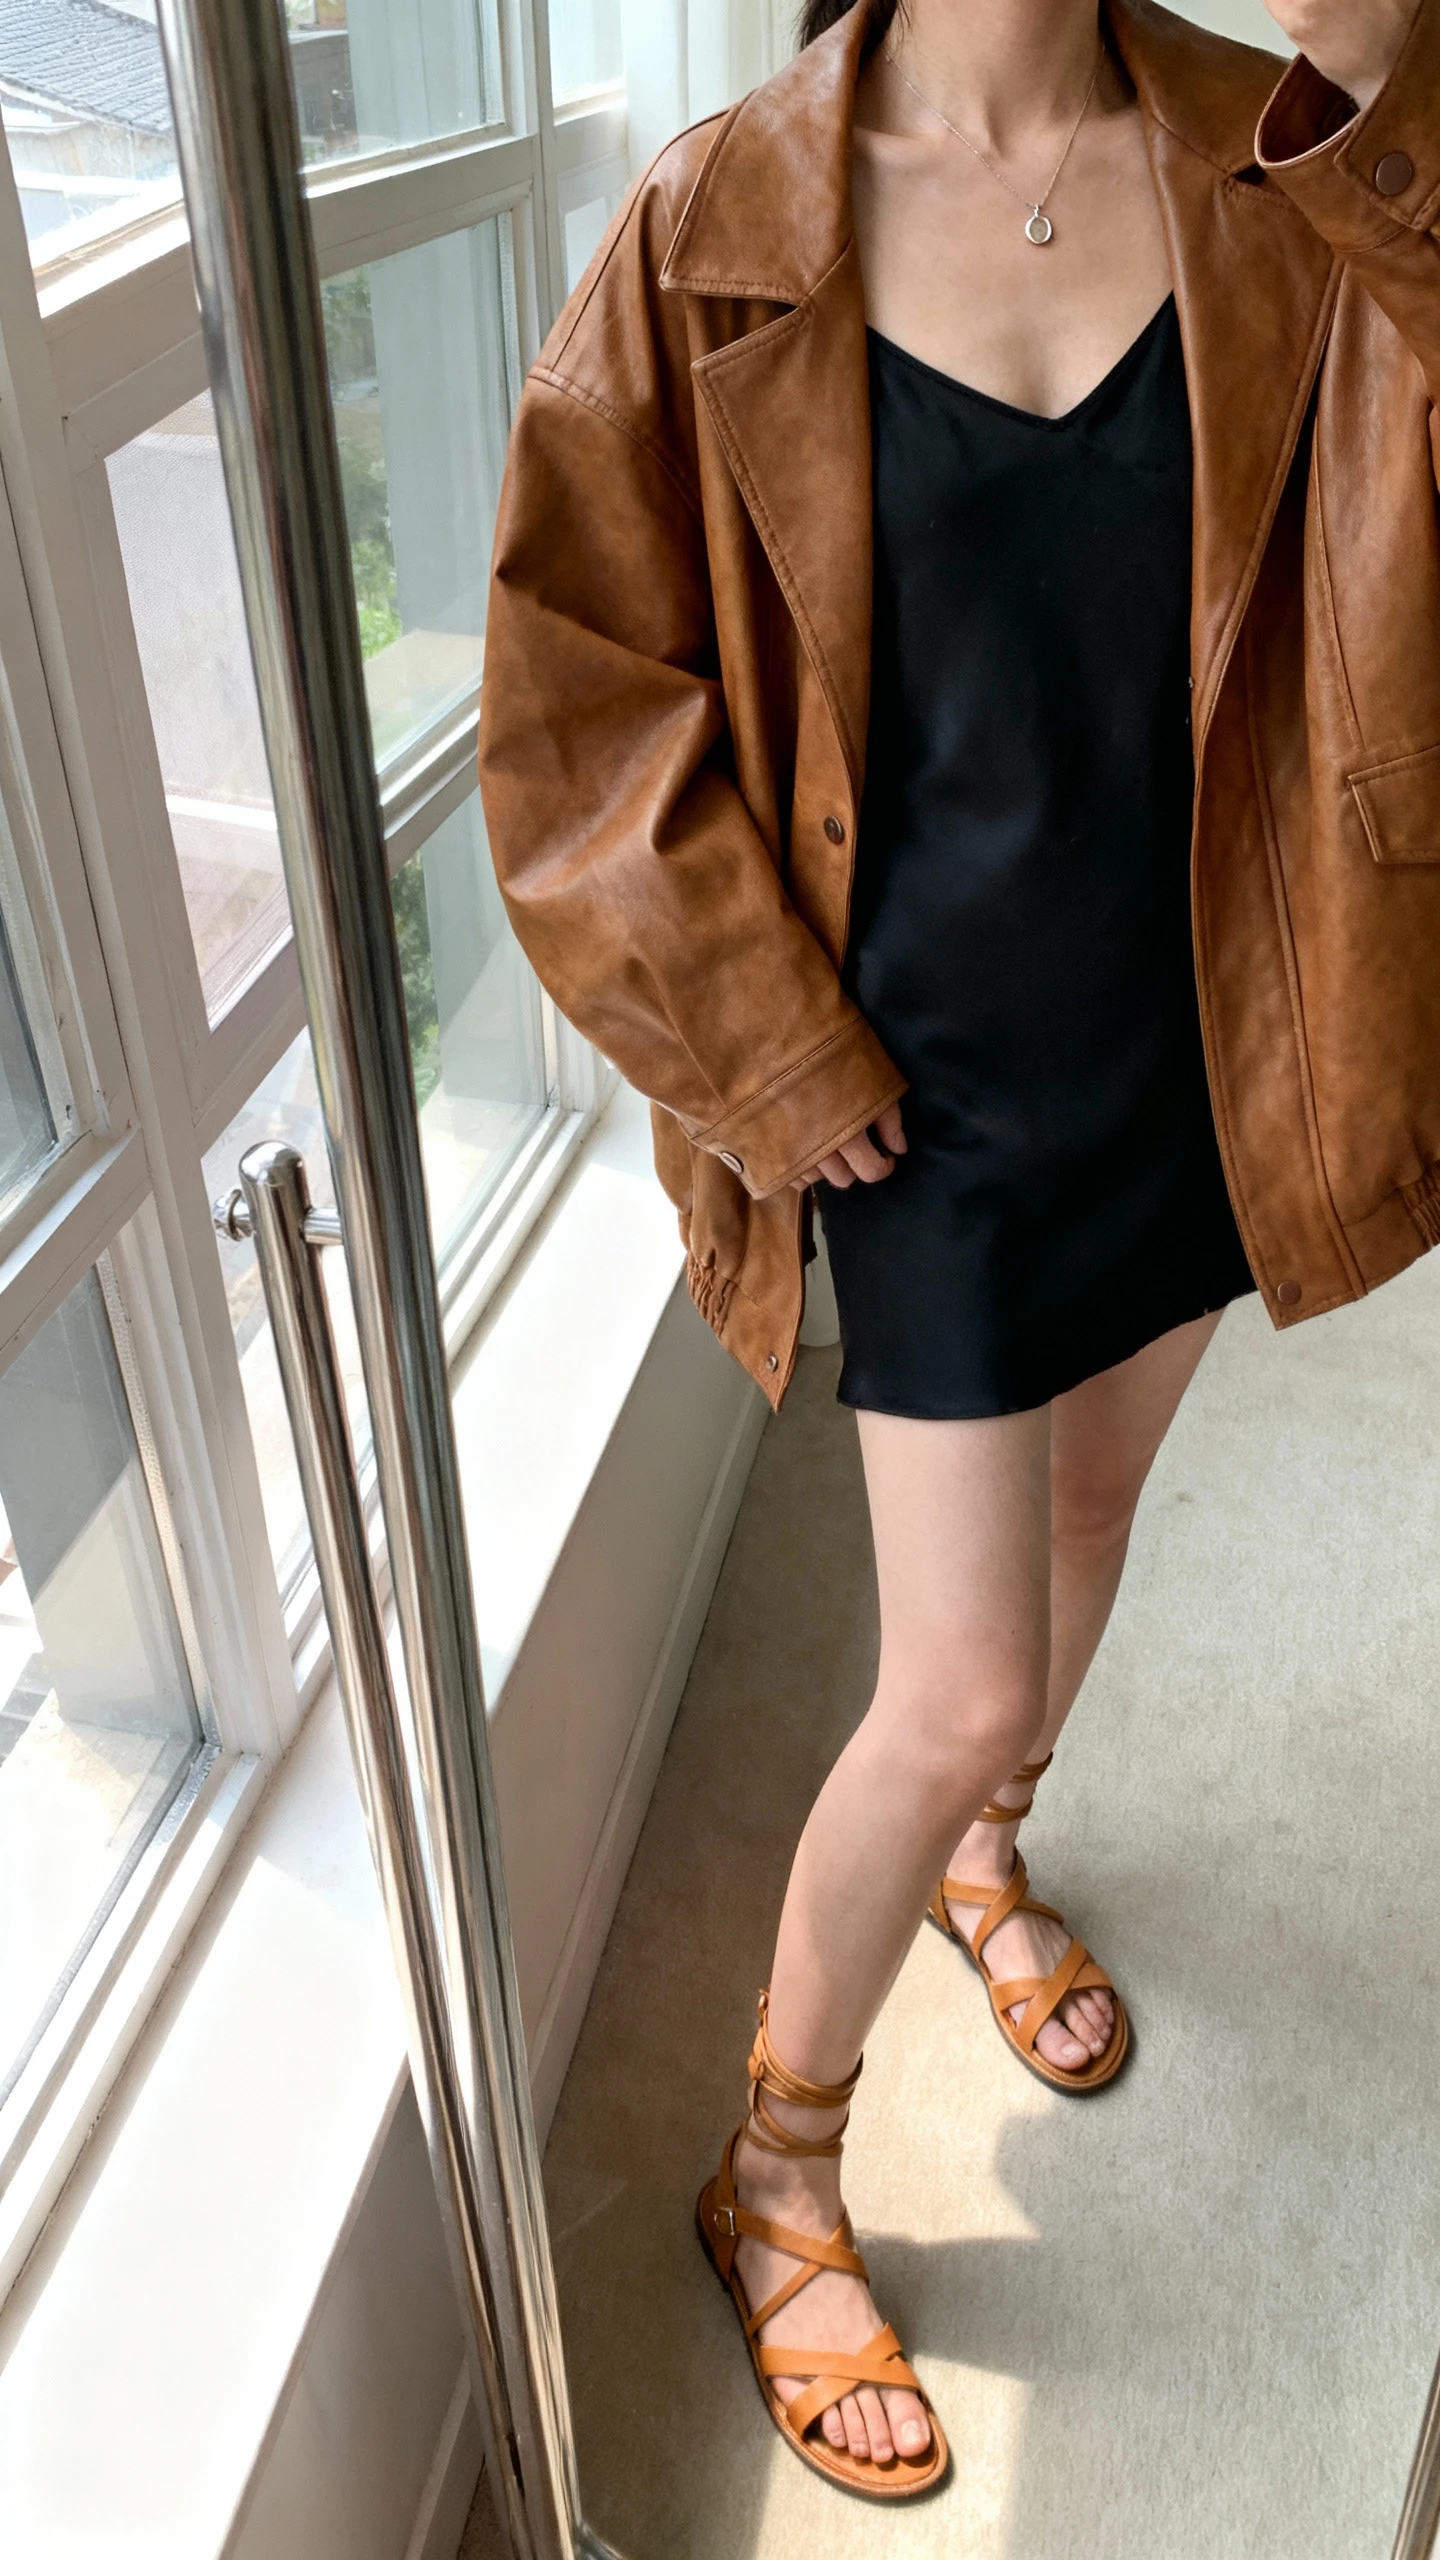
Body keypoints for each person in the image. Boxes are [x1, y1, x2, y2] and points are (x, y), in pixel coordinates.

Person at [479, 0, 1440, 2498]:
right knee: (956, 1663)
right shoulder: (717, 233)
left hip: (1210, 1036)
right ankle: (776, 2162)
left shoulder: (1287, 153)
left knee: (1099, 1518)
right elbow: (575, 720)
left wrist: (1390, 101)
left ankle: (989, 1854)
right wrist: (776, 1069)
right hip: (912, 1103)